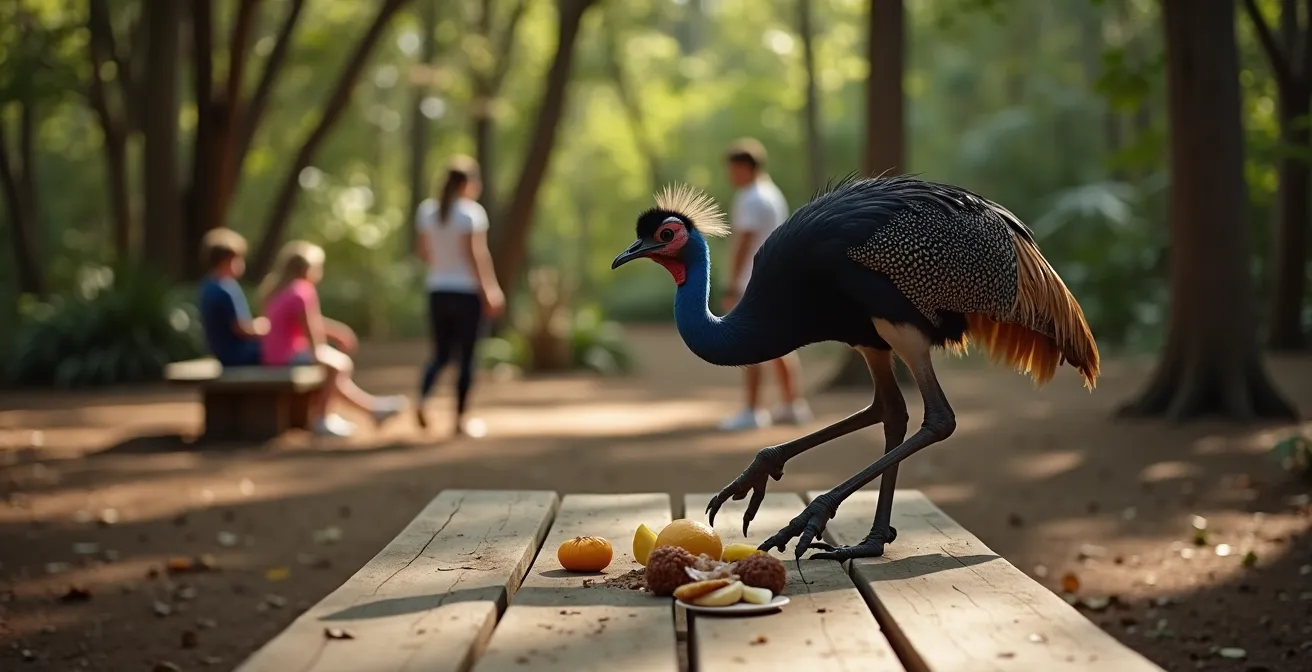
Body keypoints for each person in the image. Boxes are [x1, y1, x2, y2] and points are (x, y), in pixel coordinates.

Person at [258, 240, 406, 438]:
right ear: (306, 269)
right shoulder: (301, 291)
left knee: (334, 366)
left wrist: (336, 332)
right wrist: (319, 351)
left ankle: (373, 409)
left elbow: (307, 321)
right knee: (337, 366)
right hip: (286, 357)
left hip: (274, 354)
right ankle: (322, 419)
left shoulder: (279, 289)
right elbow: (310, 329)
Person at [719, 138, 813, 431]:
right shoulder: (773, 195)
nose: (730, 176)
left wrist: (732, 283)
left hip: (752, 281)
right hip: (777, 279)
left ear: (746, 167)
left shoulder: (750, 197)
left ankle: (751, 410)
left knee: (748, 343)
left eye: (733, 169)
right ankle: (792, 405)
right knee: (780, 344)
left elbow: (744, 242)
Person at [413, 156, 505, 437]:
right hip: (466, 293)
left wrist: (443, 264)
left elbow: (424, 253)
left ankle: (423, 399)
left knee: (440, 354)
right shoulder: (470, 213)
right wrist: (489, 289)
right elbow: (476, 255)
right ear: (467, 183)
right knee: (467, 358)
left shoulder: (427, 211)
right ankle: (460, 420)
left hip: (437, 290)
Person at [197, 228, 267, 367]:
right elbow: (241, 329)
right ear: (227, 260)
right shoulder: (226, 289)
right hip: (237, 354)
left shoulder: (207, 285)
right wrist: (263, 328)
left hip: (220, 352)